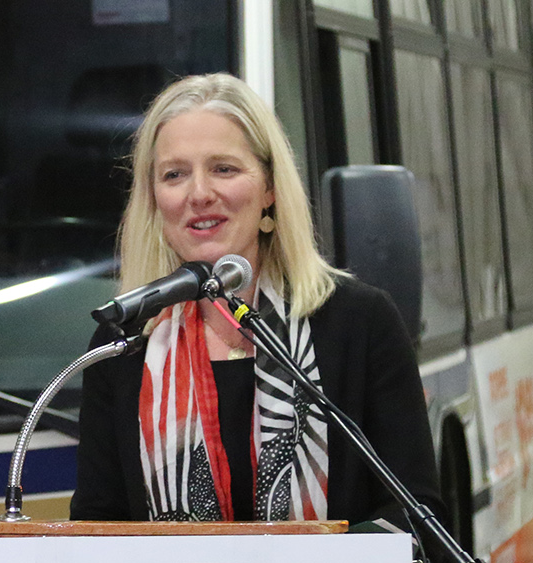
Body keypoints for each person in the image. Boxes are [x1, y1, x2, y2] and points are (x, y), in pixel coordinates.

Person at [71, 72, 443, 527]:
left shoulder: (359, 322)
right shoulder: (122, 344)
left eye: (223, 169)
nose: (199, 194)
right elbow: (96, 526)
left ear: (269, 189)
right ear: (154, 198)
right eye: (175, 174)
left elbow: (420, 519)